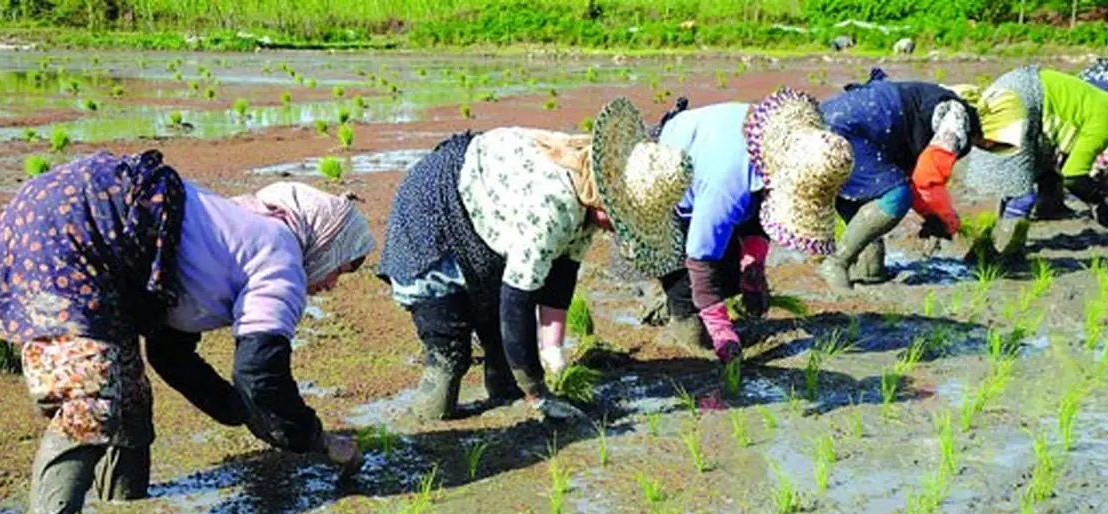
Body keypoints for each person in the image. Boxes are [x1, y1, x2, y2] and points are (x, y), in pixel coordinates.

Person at [0, 151, 376, 514]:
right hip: (72, 229)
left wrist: (238, 411)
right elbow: (261, 376)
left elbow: (170, 354)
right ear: (326, 241)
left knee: (129, 394)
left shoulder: (228, 236)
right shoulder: (280, 255)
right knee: (90, 398)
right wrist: (319, 440)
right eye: (341, 268)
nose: (333, 284)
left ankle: (124, 509)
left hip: (72, 221)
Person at [377, 97, 691, 420]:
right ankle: (429, 433)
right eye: (625, 218)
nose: (621, 228)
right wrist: (539, 394)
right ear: (607, 200)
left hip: (482, 224)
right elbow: (517, 301)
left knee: (501, 341)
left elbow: (561, 277)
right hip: (429, 216)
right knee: (449, 353)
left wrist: (552, 349)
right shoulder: (553, 207)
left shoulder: (588, 195)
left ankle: (507, 397)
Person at [639, 89, 853, 362]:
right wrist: (721, 332)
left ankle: (700, 304)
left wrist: (753, 269)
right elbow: (700, 260)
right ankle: (673, 314)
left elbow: (761, 207)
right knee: (691, 294)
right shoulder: (727, 187)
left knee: (732, 275)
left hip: (718, 161)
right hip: (662, 181)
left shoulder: (791, 148)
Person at [964, 67, 1108, 265]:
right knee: (1021, 194)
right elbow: (1073, 175)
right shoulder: (1105, 121)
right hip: (1018, 102)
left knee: (1031, 175)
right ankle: (1004, 257)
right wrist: (1101, 200)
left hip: (1016, 89)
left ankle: (991, 247)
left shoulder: (1106, 101)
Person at [816, 69, 992, 290]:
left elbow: (913, 179)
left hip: (826, 120)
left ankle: (870, 272)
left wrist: (931, 216)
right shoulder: (957, 116)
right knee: (896, 195)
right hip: (844, 130)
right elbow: (926, 179)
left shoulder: (925, 104)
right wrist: (945, 220)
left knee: (871, 197)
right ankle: (836, 262)